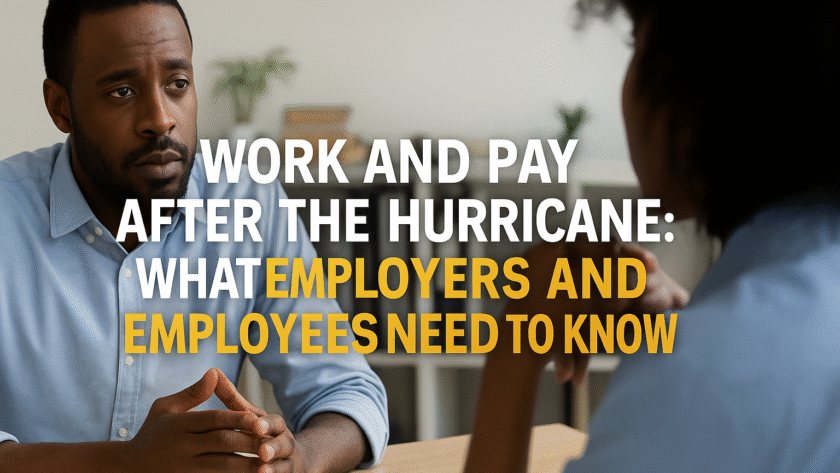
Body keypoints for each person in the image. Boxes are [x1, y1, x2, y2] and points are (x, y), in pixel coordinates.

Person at [0, 1, 388, 471]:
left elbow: (348, 392)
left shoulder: (251, 205)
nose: (160, 119)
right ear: (61, 107)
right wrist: (126, 463)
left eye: (177, 84)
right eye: (122, 91)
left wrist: (300, 458)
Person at [465, 0, 840, 472]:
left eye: (635, 44)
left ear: (694, 90)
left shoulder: (699, 381)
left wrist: (517, 343)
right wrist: (689, 315)